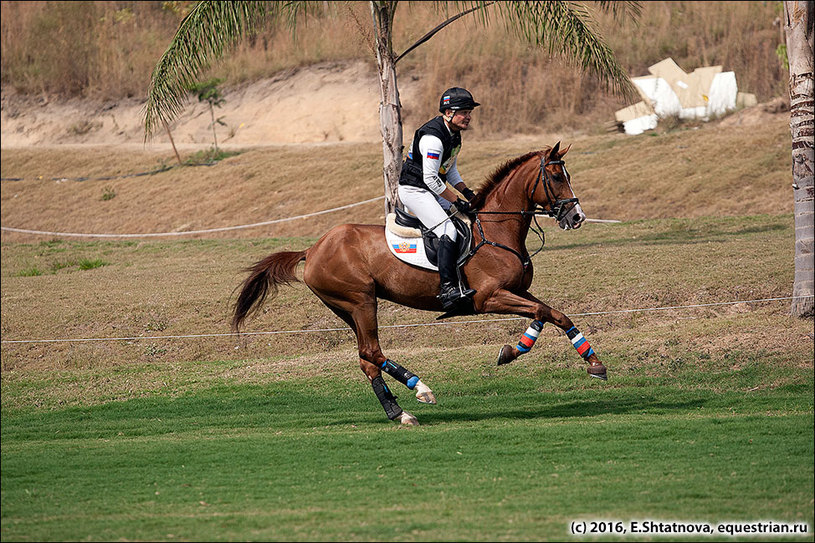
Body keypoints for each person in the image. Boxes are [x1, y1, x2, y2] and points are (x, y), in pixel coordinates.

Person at [398, 87, 480, 311]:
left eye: (469, 111)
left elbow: (449, 171)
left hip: (431, 189)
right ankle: (448, 289)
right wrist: (455, 200)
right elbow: (432, 179)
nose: (468, 116)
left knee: (467, 219)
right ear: (448, 113)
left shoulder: (453, 134)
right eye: (463, 112)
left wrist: (468, 193)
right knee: (448, 231)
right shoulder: (433, 138)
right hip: (415, 190)